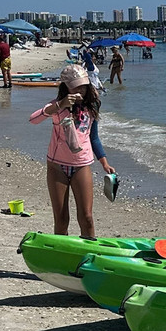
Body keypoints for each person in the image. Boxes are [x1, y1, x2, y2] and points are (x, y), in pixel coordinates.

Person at [28, 64, 116, 238]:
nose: (80, 90)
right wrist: (59, 105)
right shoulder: (57, 106)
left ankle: (88, 255)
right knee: (61, 220)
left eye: (83, 85)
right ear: (66, 87)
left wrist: (104, 162)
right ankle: (62, 258)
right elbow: (33, 120)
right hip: (57, 166)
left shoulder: (92, 106)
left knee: (87, 218)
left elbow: (94, 138)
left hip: (82, 165)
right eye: (76, 86)